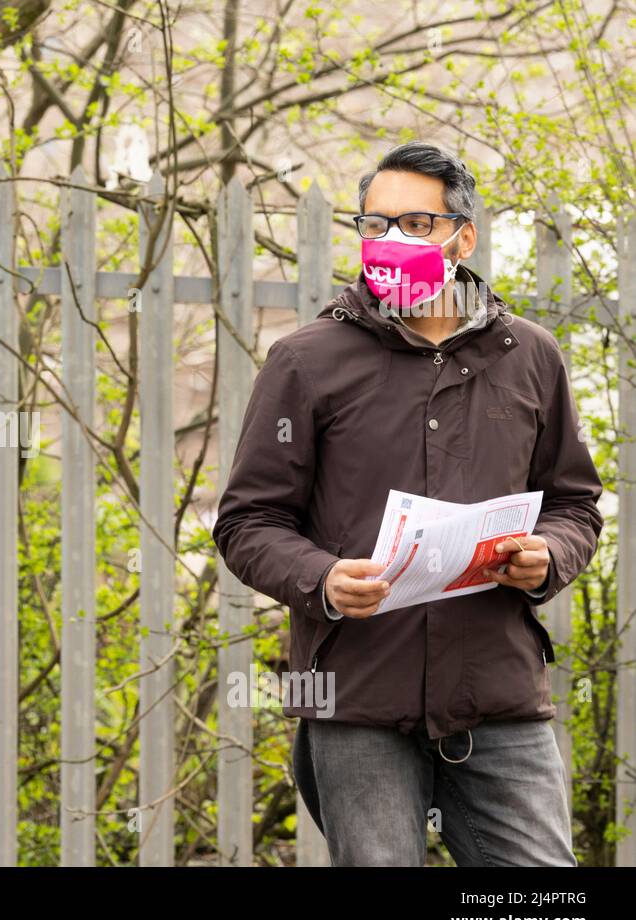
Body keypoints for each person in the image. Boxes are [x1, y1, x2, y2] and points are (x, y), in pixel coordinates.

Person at [212, 142, 603, 866]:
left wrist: (549, 555)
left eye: (416, 222)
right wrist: (321, 579)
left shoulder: (531, 356)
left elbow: (574, 503)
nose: (393, 240)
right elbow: (247, 521)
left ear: (463, 236)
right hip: (356, 695)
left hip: (499, 693)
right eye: (376, 224)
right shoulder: (307, 361)